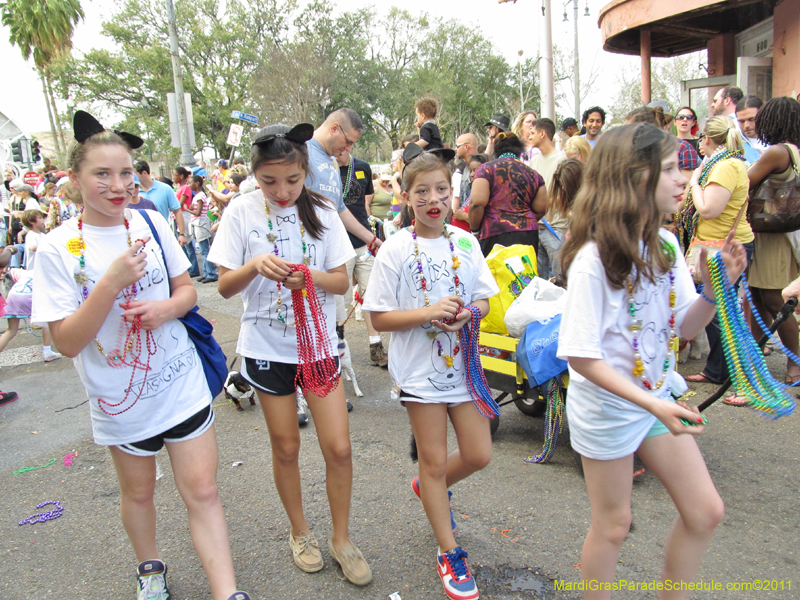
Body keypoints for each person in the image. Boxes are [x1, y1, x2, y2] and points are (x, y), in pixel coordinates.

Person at [30, 111, 251, 600]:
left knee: (204, 491)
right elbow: (65, 341)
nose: (117, 185)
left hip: (179, 383)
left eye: (126, 173)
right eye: (102, 174)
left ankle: (227, 591)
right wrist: (109, 284)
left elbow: (187, 291)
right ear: (75, 180)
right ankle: (150, 567)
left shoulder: (149, 223)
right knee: (140, 493)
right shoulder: (56, 249)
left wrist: (163, 309)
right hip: (119, 399)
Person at [558, 123, 745, 599]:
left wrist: (713, 289)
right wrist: (654, 403)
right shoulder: (593, 259)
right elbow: (580, 356)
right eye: (669, 169)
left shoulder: (664, 245)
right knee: (614, 523)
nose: (685, 178)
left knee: (706, 511)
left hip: (655, 397)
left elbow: (685, 327)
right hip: (608, 409)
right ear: (632, 179)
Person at [208, 123, 372, 587]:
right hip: (265, 349)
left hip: (318, 344)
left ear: (305, 172)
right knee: (286, 446)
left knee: (338, 448)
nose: (282, 191)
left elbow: (341, 282)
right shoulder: (241, 212)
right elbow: (222, 285)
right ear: (255, 178)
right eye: (269, 181)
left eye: (291, 180)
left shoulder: (321, 208)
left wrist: (309, 277)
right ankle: (300, 533)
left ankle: (342, 538)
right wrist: (254, 265)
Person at [363, 151, 499, 600]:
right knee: (436, 459)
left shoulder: (466, 243)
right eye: (422, 192)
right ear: (405, 197)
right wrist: (426, 313)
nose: (433, 199)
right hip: (420, 375)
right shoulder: (396, 249)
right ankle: (449, 550)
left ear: (452, 193)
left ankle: (428, 487)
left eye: (441, 189)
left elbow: (484, 301)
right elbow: (378, 318)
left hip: (464, 369)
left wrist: (467, 316)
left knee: (479, 454)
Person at [684, 117, 755, 391]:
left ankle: (735, 376)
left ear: (709, 139)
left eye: (701, 136)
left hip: (720, 246)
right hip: (718, 242)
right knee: (718, 311)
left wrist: (694, 183)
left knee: (717, 312)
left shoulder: (725, 167)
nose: (699, 142)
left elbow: (709, 209)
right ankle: (718, 370)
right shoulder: (729, 163)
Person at [744, 96, 800, 388]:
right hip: (777, 232)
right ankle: (755, 360)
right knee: (757, 297)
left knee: (774, 298)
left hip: (772, 234)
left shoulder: (778, 152)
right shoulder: (794, 150)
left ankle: (795, 361)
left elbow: (744, 181)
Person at [335, 148, 387, 367]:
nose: (342, 148)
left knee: (372, 295)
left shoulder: (363, 167)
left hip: (364, 243)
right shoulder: (325, 168)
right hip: (337, 245)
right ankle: (336, 350)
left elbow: (363, 206)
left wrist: (371, 237)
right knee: (338, 300)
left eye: (348, 143)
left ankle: (376, 347)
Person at [468, 132, 547, 256]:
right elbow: (541, 209)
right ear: (519, 149)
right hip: (527, 235)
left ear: (496, 149)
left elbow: (476, 203)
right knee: (525, 274)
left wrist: (475, 231)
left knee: (495, 273)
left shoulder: (486, 169)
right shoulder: (534, 174)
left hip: (494, 233)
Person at [134, 160, 188, 243]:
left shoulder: (165, 189)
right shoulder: (133, 193)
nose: (132, 177)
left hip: (162, 236)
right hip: (140, 238)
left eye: (135, 174)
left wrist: (182, 234)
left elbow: (177, 211)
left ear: (144, 173)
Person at [187, 175, 216, 283]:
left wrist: (187, 209)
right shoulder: (198, 196)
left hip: (201, 223)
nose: (189, 185)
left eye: (190, 183)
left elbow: (198, 212)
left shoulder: (200, 196)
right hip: (198, 223)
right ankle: (206, 272)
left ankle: (211, 273)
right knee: (202, 249)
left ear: (197, 183)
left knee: (204, 250)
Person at [173, 166, 200, 277]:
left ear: (181, 176)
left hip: (183, 215)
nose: (173, 177)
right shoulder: (179, 188)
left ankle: (193, 268)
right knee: (182, 245)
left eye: (175, 175)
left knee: (188, 243)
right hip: (177, 216)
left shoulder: (185, 188)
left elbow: (179, 204)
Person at [451, 154, 489, 232]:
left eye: (475, 170)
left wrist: (465, 217)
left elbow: (487, 223)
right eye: (470, 170)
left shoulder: (488, 195)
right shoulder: (473, 192)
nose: (471, 174)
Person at [736, 95, 767, 165]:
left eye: (751, 119)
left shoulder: (775, 141)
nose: (746, 125)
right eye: (741, 121)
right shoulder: (733, 145)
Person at [453, 133, 478, 213]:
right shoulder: (464, 168)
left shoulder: (481, 166)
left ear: (466, 147)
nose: (455, 149)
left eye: (457, 146)